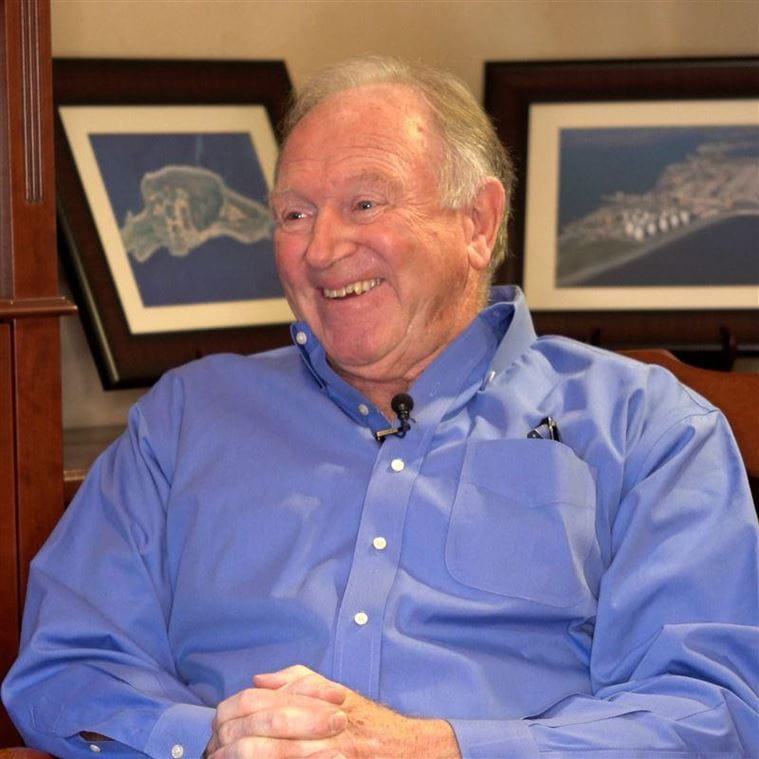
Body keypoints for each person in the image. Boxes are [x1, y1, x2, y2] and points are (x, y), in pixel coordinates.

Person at [3, 56, 758, 759]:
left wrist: (437, 746)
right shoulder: (184, 419)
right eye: (294, 214)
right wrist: (211, 736)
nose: (322, 248)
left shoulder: (649, 428)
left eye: (364, 202)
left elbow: (709, 707)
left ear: (478, 222)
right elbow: (65, 666)